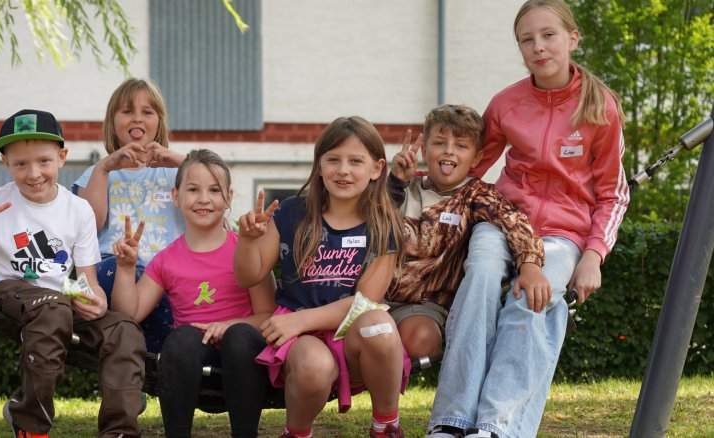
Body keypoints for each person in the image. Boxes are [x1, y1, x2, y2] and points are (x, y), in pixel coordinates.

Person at [426, 1, 629, 437]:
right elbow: (470, 167)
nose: (538, 47)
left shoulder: (601, 108)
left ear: (572, 38)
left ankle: (496, 425)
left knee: (532, 298)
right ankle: (451, 419)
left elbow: (614, 193)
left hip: (563, 233)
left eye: (548, 35)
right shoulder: (506, 103)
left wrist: (593, 256)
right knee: (480, 276)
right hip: (503, 219)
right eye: (527, 39)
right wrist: (418, 183)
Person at [0, 109, 146, 438]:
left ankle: (119, 431)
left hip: (60, 301)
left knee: (123, 329)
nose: (34, 173)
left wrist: (94, 299)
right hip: (8, 294)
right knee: (53, 308)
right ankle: (30, 425)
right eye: (21, 164)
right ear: (6, 163)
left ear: (62, 157)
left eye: (43, 161)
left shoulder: (78, 210)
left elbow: (87, 281)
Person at [235, 116, 411, 438]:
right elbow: (249, 276)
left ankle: (386, 426)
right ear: (319, 165)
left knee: (379, 325)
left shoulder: (384, 224)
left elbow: (365, 303)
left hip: (349, 331)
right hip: (301, 338)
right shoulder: (291, 212)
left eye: (355, 161)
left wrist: (299, 321)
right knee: (314, 367)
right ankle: (296, 432)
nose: (343, 170)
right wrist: (247, 240)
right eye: (333, 160)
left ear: (376, 169)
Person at [110, 149, 277, 438]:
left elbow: (269, 315)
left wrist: (227, 326)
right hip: (190, 358)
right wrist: (125, 268)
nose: (203, 199)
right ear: (175, 196)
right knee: (182, 338)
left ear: (229, 197)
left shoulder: (246, 249)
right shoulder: (166, 260)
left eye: (214, 190)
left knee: (239, 337)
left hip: (243, 355)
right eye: (193, 189)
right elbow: (129, 314)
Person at [385, 104, 549, 361]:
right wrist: (394, 183)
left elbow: (515, 222)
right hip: (376, 294)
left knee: (419, 340)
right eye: (439, 143)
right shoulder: (405, 185)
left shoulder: (477, 195)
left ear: (475, 158)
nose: (449, 150)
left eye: (461, 146)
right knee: (366, 334)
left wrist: (530, 265)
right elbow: (369, 221)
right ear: (425, 150)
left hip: (424, 305)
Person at [73, 78, 186, 353]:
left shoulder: (179, 174)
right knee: (117, 273)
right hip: (112, 269)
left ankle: (151, 363)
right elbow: (89, 225)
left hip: (164, 276)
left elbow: (216, 193)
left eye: (147, 112)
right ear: (112, 123)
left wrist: (180, 161)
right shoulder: (97, 173)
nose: (137, 118)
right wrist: (104, 168)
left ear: (159, 122)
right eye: (127, 111)